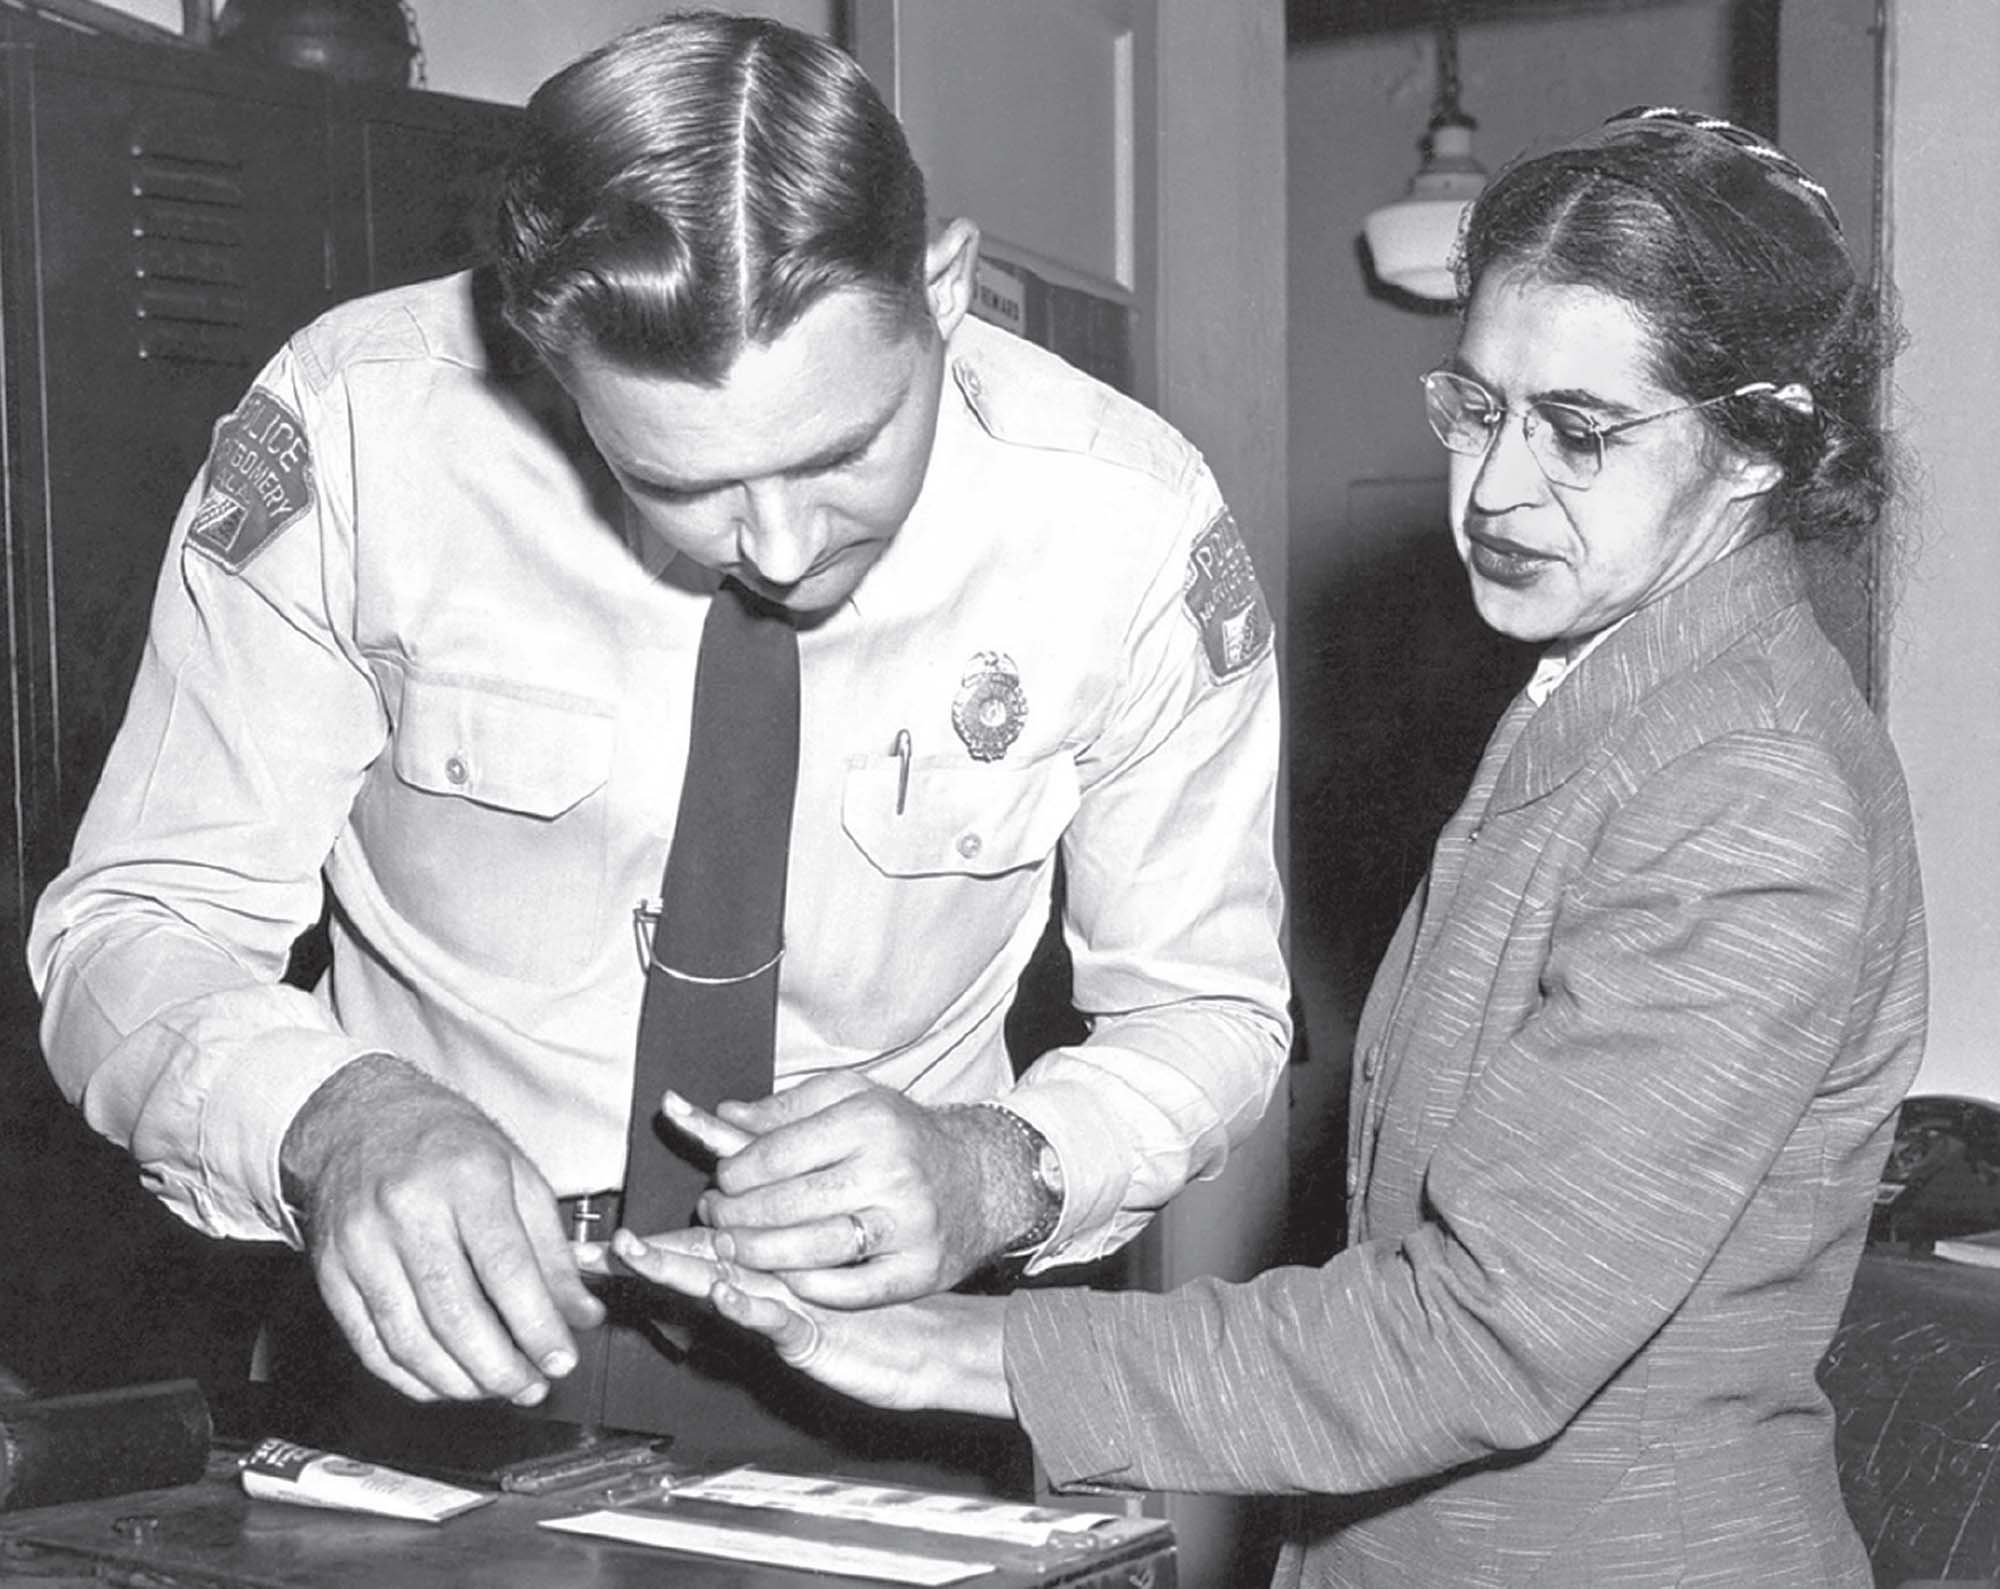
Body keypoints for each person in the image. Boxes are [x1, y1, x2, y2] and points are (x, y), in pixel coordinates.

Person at [611, 106, 1927, 1584]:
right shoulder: (1623, 693)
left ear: (1760, 446)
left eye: (1577, 431)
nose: (1492, 488)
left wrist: (945, 1350)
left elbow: (1482, 1331)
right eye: (1476, 407)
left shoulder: (1745, 783)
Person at [25, 11, 1288, 1470]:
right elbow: (135, 920)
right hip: (432, 1360)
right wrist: (334, 1117)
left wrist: (1001, 1163)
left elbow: (1212, 1007)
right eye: (679, 481)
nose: (781, 544)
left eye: (843, 452)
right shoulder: (361, 429)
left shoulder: (1125, 523)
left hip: (899, 1370)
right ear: (546, 360)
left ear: (942, 286)